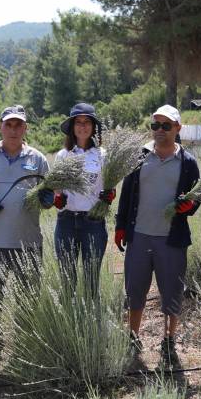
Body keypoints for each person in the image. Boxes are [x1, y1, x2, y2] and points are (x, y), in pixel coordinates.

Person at [114, 104, 200, 365]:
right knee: (135, 290)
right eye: (155, 125)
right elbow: (127, 194)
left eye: (166, 125)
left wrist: (188, 206)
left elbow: (196, 197)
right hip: (139, 236)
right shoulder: (139, 157)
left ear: (178, 128)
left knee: (172, 291)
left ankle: (169, 340)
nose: (160, 130)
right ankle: (132, 336)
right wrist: (120, 226)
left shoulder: (188, 162)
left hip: (171, 239)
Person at [0, 105, 51, 351]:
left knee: (28, 296)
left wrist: (48, 199)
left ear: (25, 128)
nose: (13, 130)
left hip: (28, 242)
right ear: (0, 127)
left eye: (18, 125)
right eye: (9, 125)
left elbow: (49, 197)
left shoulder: (38, 159)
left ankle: (25, 341)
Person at [52, 103, 113, 297]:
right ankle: (69, 314)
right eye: (78, 122)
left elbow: (109, 187)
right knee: (67, 280)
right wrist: (57, 198)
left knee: (91, 280)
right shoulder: (63, 155)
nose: (83, 126)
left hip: (93, 222)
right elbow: (56, 188)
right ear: (72, 127)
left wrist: (109, 196)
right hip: (66, 221)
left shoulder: (103, 155)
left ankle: (92, 315)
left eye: (87, 122)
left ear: (94, 127)